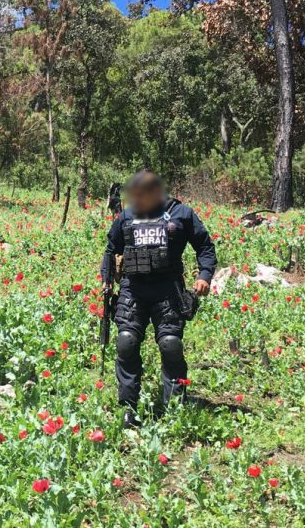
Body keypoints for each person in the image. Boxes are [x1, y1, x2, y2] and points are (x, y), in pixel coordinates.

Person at [101, 170, 217, 428]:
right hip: (133, 289)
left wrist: (205, 276)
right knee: (126, 342)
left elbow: (205, 246)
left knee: (170, 344)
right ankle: (128, 409)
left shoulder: (182, 213)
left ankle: (174, 409)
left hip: (168, 290)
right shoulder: (127, 216)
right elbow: (111, 250)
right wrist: (107, 280)